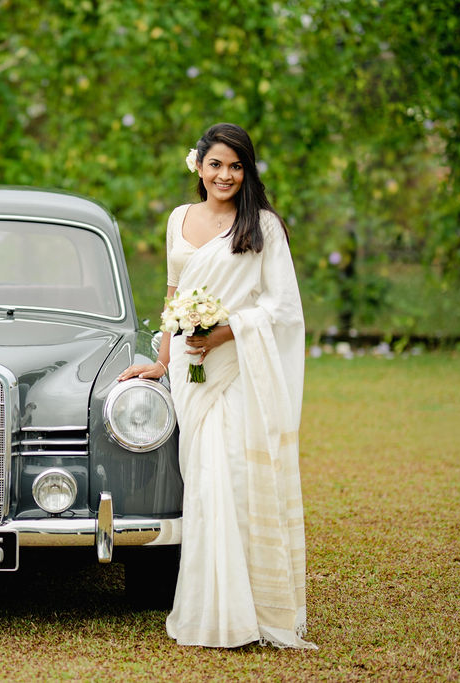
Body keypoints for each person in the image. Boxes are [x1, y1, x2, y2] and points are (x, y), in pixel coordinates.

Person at [118, 123, 315, 649]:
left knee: (236, 476)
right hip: (189, 370)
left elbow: (283, 306)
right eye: (216, 164)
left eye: (236, 165)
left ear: (246, 171)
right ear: (198, 167)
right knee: (202, 481)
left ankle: (251, 610)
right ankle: (213, 607)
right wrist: (161, 362)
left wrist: (230, 330)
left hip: (240, 368)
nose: (225, 175)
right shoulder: (179, 219)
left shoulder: (264, 227)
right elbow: (173, 293)